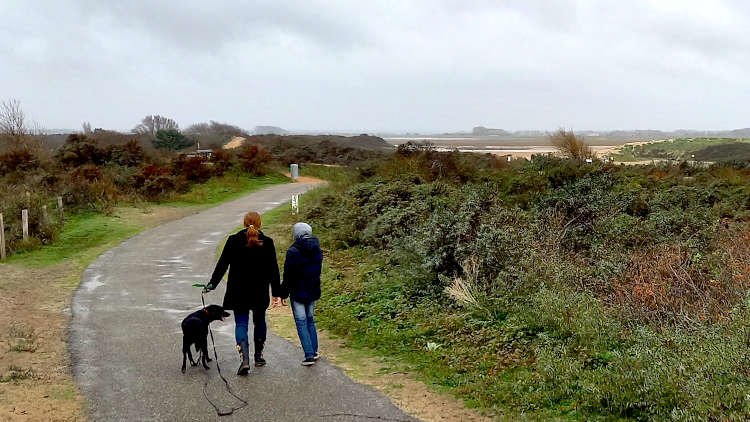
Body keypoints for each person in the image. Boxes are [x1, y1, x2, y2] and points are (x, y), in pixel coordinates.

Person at [205, 211, 282, 375]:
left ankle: (244, 359)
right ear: (260, 224)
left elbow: (222, 264)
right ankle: (259, 357)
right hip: (260, 290)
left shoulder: (233, 240)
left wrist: (212, 284)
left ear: (244, 223)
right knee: (260, 322)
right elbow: (273, 270)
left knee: (241, 324)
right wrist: (276, 292)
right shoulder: (267, 242)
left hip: (238, 290)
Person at [281, 222, 324, 366]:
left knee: (301, 322)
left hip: (297, 291)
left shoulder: (293, 251)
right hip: (312, 289)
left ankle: (309, 355)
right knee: (310, 320)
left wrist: (283, 293)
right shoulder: (317, 249)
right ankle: (314, 350)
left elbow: (288, 275)